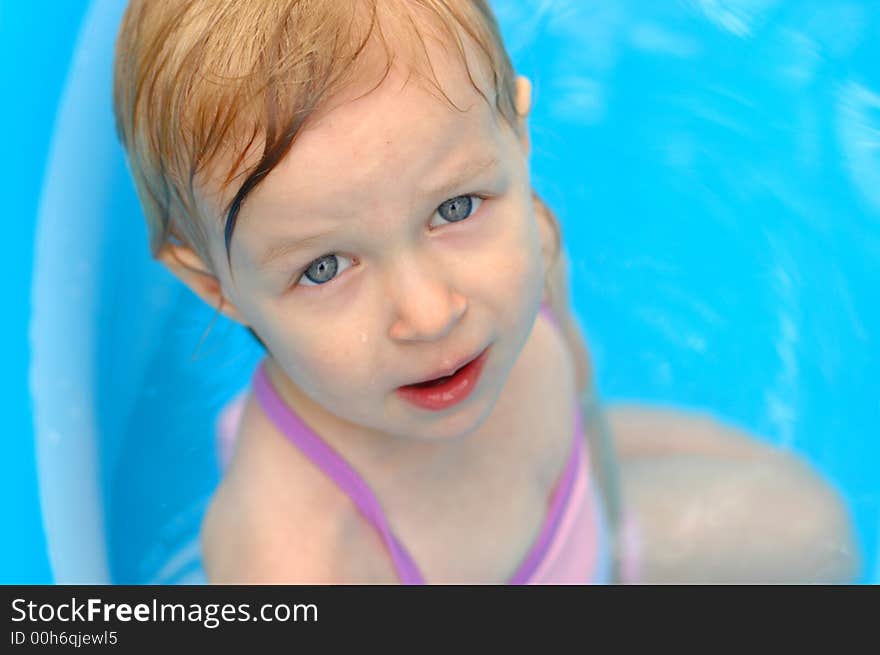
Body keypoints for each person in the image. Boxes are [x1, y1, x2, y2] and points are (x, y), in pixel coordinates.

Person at [113, 0, 860, 583]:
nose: (430, 313)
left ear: (517, 139)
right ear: (216, 285)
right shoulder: (295, 553)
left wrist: (595, 469)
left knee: (823, 536)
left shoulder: (529, 236)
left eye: (454, 209)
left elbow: (575, 373)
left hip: (577, 488)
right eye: (325, 267)